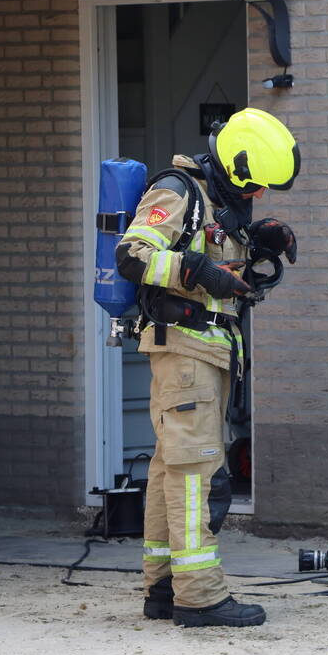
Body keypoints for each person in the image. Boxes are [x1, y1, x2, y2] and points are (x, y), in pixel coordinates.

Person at [116, 108, 299, 627]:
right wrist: (197, 271)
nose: (259, 195)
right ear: (236, 166)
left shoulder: (217, 201)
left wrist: (260, 237)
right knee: (197, 471)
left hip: (207, 350)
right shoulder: (178, 191)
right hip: (185, 350)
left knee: (170, 469)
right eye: (256, 186)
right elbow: (132, 255)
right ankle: (199, 596)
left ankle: (163, 586)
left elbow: (221, 254)